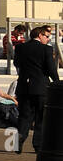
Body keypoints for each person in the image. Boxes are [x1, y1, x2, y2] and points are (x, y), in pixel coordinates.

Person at [14, 25, 59, 153]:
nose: (48, 39)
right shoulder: (46, 49)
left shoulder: (20, 47)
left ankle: (20, 138)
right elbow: (51, 68)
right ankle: (37, 145)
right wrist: (57, 82)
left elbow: (16, 63)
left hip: (24, 87)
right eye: (46, 36)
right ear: (40, 35)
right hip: (40, 87)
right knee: (40, 117)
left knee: (24, 115)